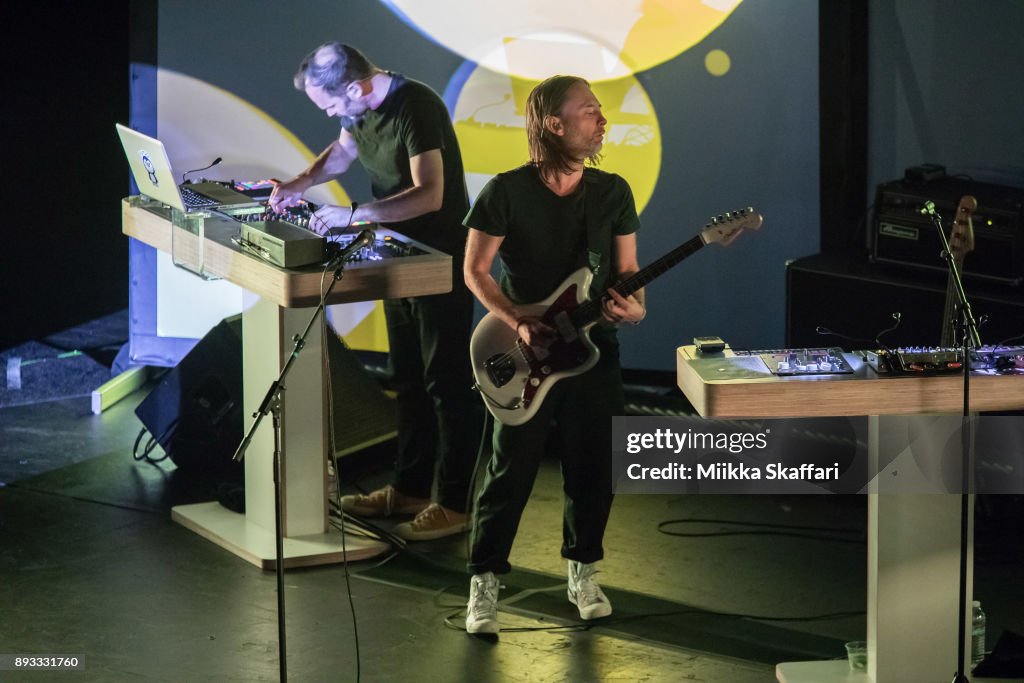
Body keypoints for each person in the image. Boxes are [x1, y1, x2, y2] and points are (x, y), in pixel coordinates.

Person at [269, 43, 477, 541]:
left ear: (357, 87)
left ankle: (453, 502)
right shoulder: (360, 108)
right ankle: (408, 489)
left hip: (441, 258)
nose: (332, 114)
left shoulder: (417, 106)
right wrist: (298, 184)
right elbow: (342, 152)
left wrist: (354, 214)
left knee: (445, 383)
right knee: (405, 376)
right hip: (400, 252)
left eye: (332, 105)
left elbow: (432, 194)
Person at [461, 75, 646, 633]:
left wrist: (633, 309)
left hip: (593, 353)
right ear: (554, 124)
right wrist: (519, 319)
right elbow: (474, 270)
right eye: (589, 111)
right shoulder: (506, 191)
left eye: (600, 111)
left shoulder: (612, 192)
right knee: (509, 472)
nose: (601, 121)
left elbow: (629, 274)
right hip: (524, 354)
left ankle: (583, 571)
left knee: (594, 469)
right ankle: (484, 582)